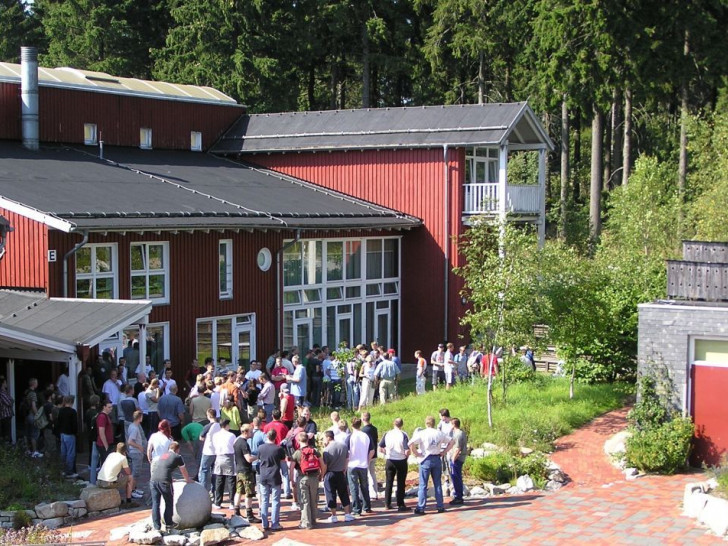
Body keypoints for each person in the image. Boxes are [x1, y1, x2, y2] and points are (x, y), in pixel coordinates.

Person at [408, 416, 454, 515]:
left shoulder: (422, 433)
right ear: (434, 423)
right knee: (437, 483)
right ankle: (440, 506)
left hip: (425, 458)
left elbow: (410, 443)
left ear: (426, 423)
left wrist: (416, 453)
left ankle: (421, 507)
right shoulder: (439, 433)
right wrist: (444, 451)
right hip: (436, 458)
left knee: (423, 484)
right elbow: (452, 441)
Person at [150, 441, 193, 532]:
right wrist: (187, 479)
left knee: (155, 503)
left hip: (153, 480)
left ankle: (156, 527)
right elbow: (183, 470)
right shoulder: (178, 457)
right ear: (177, 449)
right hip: (165, 482)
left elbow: (163, 467)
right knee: (169, 502)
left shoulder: (163, 455)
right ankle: (169, 523)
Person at [291, 431, 323, 529]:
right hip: (314, 478)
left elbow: (291, 468)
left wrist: (292, 480)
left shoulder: (297, 453)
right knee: (313, 500)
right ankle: (313, 520)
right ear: (308, 439)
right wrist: (321, 474)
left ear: (298, 440)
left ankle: (306, 523)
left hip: (302, 478)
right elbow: (323, 463)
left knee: (304, 501)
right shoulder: (314, 451)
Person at [321, 430, 355, 523]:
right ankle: (347, 514)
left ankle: (334, 515)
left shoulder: (326, 450)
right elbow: (347, 458)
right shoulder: (343, 446)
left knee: (330, 494)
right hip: (340, 472)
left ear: (328, 437)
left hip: (330, 473)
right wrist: (344, 469)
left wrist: (322, 475)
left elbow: (325, 465)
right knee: (344, 493)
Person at [379, 417, 410, 511]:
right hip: (401, 460)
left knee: (389, 482)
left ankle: (387, 503)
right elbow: (407, 450)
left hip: (390, 460)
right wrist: (406, 457)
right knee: (401, 482)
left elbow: (380, 447)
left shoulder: (387, 433)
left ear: (393, 423)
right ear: (402, 424)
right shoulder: (403, 434)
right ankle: (400, 504)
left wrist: (386, 452)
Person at [258, 429, 285, 531]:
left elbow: (259, 458)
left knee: (264, 500)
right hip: (275, 476)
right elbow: (282, 460)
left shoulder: (260, 448)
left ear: (267, 436)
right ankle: (275, 523)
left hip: (263, 476)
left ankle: (264, 523)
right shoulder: (278, 449)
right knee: (275, 501)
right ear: (275, 437)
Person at [233, 424, 260, 522]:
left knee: (239, 491)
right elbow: (248, 459)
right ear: (245, 432)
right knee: (249, 493)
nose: (252, 433)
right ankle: (249, 515)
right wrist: (258, 457)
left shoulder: (236, 441)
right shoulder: (244, 443)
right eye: (251, 431)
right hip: (246, 471)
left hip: (239, 470)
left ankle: (236, 512)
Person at [346, 417, 373, 516]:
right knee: (365, 486)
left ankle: (357, 509)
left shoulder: (350, 437)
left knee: (354, 487)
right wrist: (367, 460)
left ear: (352, 425)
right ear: (360, 425)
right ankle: (367, 506)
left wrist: (346, 463)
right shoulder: (366, 436)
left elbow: (347, 452)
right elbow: (372, 450)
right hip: (363, 464)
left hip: (352, 464)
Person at [212, 418, 236, 510]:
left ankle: (217, 502)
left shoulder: (215, 435)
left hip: (219, 457)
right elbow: (233, 446)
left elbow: (214, 446)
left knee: (219, 480)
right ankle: (232, 503)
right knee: (231, 480)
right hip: (229, 457)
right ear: (226, 425)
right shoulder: (231, 435)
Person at [197, 408, 220, 495]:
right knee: (214, 471)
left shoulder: (208, 426)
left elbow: (201, 438)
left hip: (208, 451)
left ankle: (203, 490)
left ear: (209, 416)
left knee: (204, 470)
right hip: (217, 451)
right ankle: (214, 490)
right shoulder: (219, 425)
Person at [126, 410, 146, 499]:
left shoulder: (132, 426)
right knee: (135, 473)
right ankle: (132, 491)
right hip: (136, 453)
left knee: (136, 473)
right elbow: (130, 441)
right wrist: (139, 447)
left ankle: (134, 488)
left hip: (134, 452)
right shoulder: (134, 428)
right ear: (140, 418)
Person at [57, 395, 78, 478]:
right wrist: (75, 433)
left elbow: (58, 422)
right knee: (70, 453)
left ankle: (63, 469)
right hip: (70, 434)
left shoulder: (61, 410)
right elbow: (74, 424)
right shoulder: (73, 412)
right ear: (72, 402)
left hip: (62, 433)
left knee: (63, 452)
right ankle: (69, 471)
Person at [448, 418, 468, 505]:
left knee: (456, 477)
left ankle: (458, 496)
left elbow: (458, 448)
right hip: (459, 458)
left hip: (457, 459)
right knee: (457, 476)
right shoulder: (461, 432)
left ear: (453, 425)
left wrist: (453, 459)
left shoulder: (458, 434)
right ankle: (458, 495)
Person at [360, 411, 379, 500]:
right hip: (374, 454)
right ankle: (374, 492)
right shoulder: (374, 428)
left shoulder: (363, 430)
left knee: (366, 475)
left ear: (363, 419)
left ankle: (369, 494)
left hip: (366, 455)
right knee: (372, 473)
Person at [24, 378, 43, 457]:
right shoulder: (33, 394)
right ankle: (34, 451)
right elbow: (34, 406)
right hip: (32, 415)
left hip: (26, 415)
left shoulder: (26, 392)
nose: (37, 384)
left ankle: (27, 450)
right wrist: (37, 416)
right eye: (37, 383)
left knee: (27, 433)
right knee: (34, 434)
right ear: (34, 384)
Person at [0, 376, 13, 443]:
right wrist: (11, 400)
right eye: (5, 382)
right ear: (2, 384)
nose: (6, 384)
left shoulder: (4, 392)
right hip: (5, 415)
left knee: (7, 433)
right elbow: (9, 402)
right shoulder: (2, 393)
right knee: (7, 434)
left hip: (6, 415)